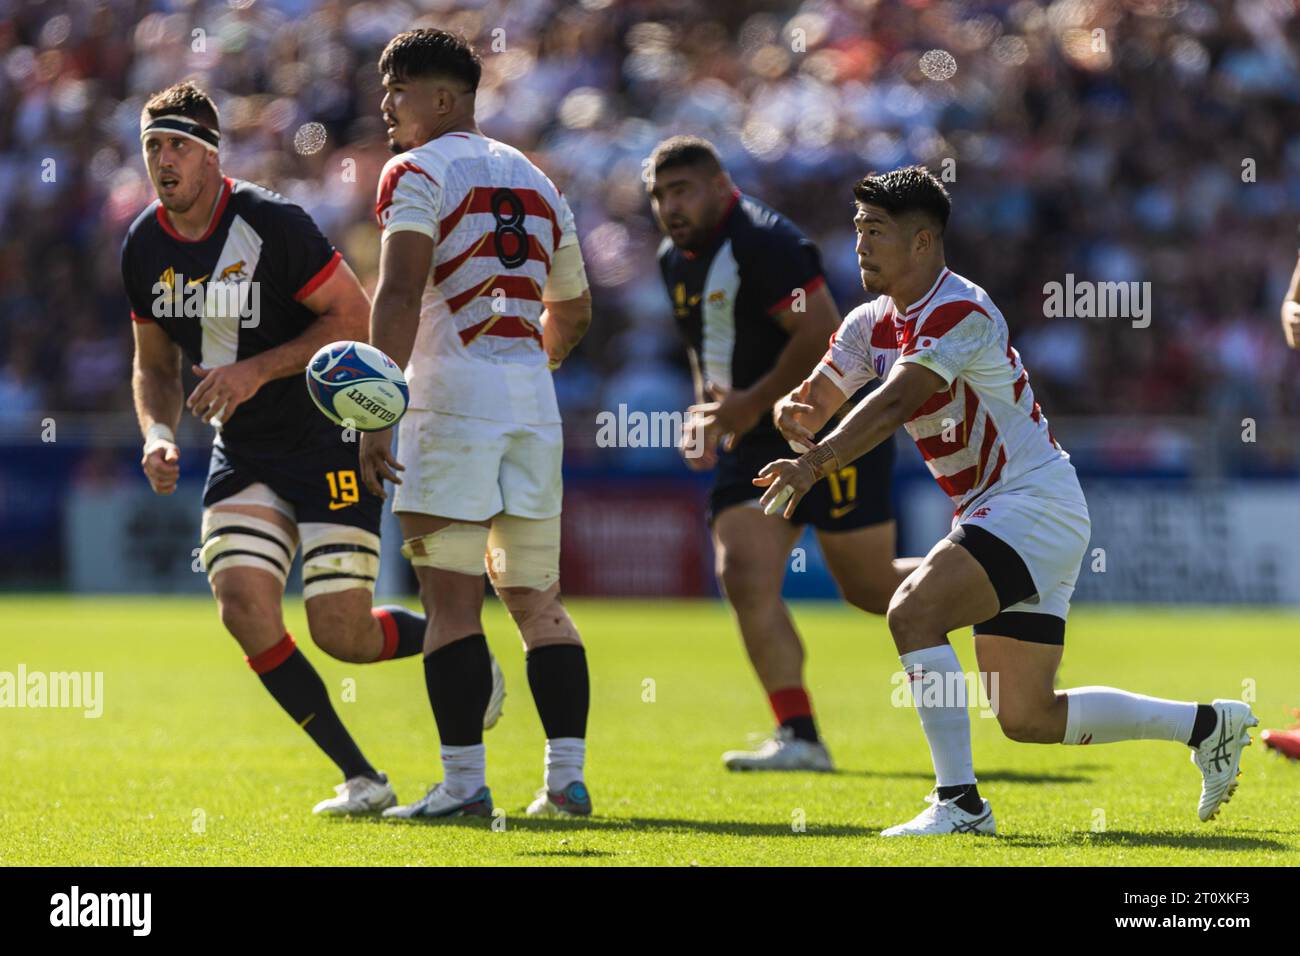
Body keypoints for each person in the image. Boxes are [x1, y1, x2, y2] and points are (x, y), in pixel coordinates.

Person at [757, 165, 1257, 834]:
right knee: (1028, 716)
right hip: (1008, 510)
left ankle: (959, 804)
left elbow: (900, 398)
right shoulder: (867, 323)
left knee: (911, 613)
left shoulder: (960, 308)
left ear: (923, 242)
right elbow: (817, 400)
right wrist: (795, 415)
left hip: (1031, 501)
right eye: (857, 230)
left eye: (875, 231)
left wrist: (814, 462)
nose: (860, 245)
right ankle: (1208, 725)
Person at [122, 81, 502, 817]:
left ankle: (459, 646)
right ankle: (363, 778)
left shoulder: (273, 222)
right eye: (151, 148)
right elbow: (152, 363)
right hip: (247, 450)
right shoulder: (142, 244)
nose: (163, 161)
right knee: (241, 605)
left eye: (177, 145)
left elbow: (354, 317)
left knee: (344, 633)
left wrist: (254, 369)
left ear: (210, 155)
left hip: (329, 437)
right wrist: (159, 433)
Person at [357, 30, 594, 819]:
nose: (387, 104)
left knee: (452, 605)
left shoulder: (415, 171)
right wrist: (532, 366)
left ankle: (461, 788)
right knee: (537, 600)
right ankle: (566, 781)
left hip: (449, 402)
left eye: (402, 89)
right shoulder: (534, 175)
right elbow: (577, 308)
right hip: (531, 403)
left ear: (446, 99)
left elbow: (396, 294)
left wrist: (376, 408)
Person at [648, 136, 918, 771]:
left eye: (681, 190)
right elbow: (707, 349)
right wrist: (707, 413)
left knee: (871, 588)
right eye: (659, 195)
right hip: (751, 438)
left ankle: (997, 576)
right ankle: (800, 735)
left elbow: (822, 332)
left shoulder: (765, 242)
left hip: (827, 426)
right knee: (742, 572)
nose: (669, 206)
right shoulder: (674, 259)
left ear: (719, 186)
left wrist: (747, 404)